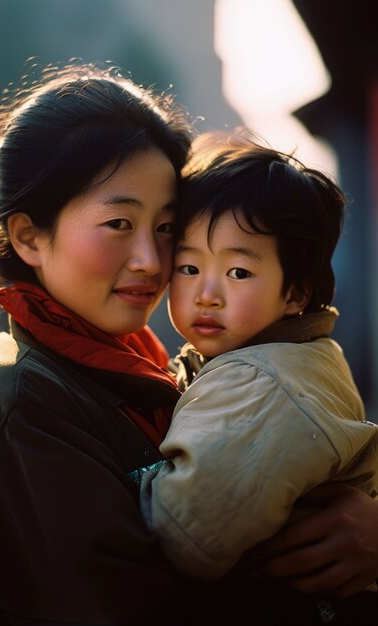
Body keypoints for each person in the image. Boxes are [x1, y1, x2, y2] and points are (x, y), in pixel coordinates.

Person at [0, 62, 377, 626]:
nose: (151, 262)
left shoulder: (152, 367)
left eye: (164, 229)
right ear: (30, 236)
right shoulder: (19, 401)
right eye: (118, 224)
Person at [140, 131, 378, 623]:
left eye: (239, 273)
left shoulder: (264, 381)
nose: (207, 294)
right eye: (187, 266)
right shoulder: (261, 357)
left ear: (296, 294)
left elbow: (190, 537)